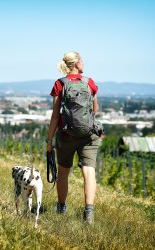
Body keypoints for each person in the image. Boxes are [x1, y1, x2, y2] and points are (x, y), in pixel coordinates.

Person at [46, 51, 99, 224]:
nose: (84, 63)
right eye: (82, 60)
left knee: (63, 172)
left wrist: (49, 141)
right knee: (89, 171)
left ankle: (61, 207)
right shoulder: (89, 83)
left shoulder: (60, 84)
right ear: (76, 63)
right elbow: (95, 110)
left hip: (66, 134)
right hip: (88, 134)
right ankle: (89, 212)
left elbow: (55, 115)